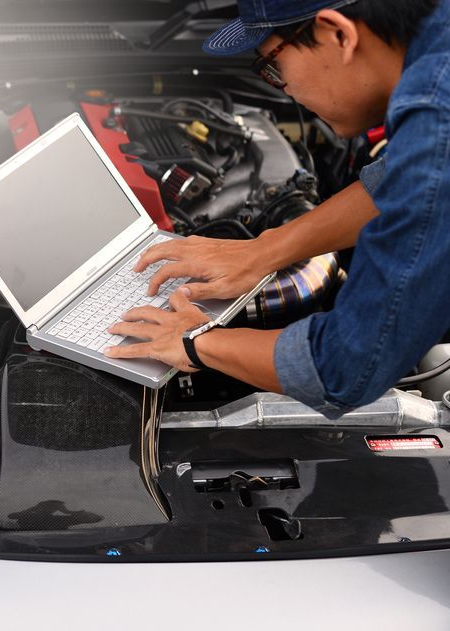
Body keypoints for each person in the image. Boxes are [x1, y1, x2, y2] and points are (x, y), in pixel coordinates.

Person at [104, 0, 447, 418]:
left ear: (338, 34)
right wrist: (262, 251)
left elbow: (346, 364)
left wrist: (195, 341)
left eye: (271, 64)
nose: (280, 87)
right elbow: (395, 178)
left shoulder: (437, 130)